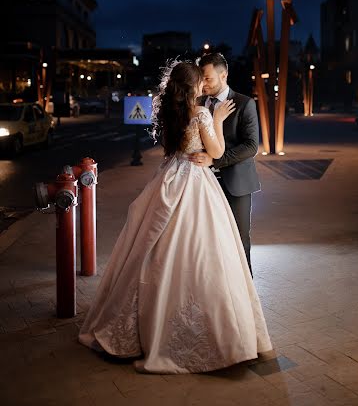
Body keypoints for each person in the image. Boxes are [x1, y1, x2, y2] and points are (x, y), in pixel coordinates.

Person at [79, 60, 271, 374]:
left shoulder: (173, 112)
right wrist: (218, 121)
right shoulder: (202, 112)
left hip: (170, 178)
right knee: (204, 251)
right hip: (196, 183)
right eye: (202, 80)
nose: (205, 85)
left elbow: (182, 149)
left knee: (156, 248)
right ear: (195, 85)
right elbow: (218, 152)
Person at [189, 53, 259, 274]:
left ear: (223, 75)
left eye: (207, 78)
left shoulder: (244, 103)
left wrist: (215, 160)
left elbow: (251, 146)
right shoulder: (198, 103)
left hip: (236, 183)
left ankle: (246, 290)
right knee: (208, 238)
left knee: (239, 238)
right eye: (201, 78)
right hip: (203, 182)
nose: (203, 83)